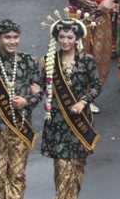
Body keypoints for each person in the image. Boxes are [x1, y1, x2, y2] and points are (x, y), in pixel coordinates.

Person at [0, 19, 42, 199]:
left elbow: (40, 92)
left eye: (16, 37)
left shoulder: (29, 60)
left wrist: (27, 101)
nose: (12, 41)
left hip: (19, 127)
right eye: (7, 37)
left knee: (17, 175)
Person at [40, 16, 102, 199]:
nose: (65, 41)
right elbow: (42, 85)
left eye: (69, 37)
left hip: (80, 120)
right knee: (61, 168)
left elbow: (97, 86)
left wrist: (84, 102)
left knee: (76, 166)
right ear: (56, 38)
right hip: (58, 121)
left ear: (77, 39)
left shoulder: (87, 60)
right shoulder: (49, 61)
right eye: (61, 37)